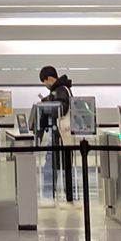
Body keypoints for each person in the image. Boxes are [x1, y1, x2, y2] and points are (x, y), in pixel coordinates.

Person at [39, 65, 74, 202]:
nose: (45, 85)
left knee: (51, 167)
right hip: (61, 135)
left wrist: (47, 107)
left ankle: (50, 196)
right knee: (62, 167)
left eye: (44, 82)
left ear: (48, 79)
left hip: (61, 135)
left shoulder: (61, 90)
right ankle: (64, 196)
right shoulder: (61, 89)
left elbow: (62, 108)